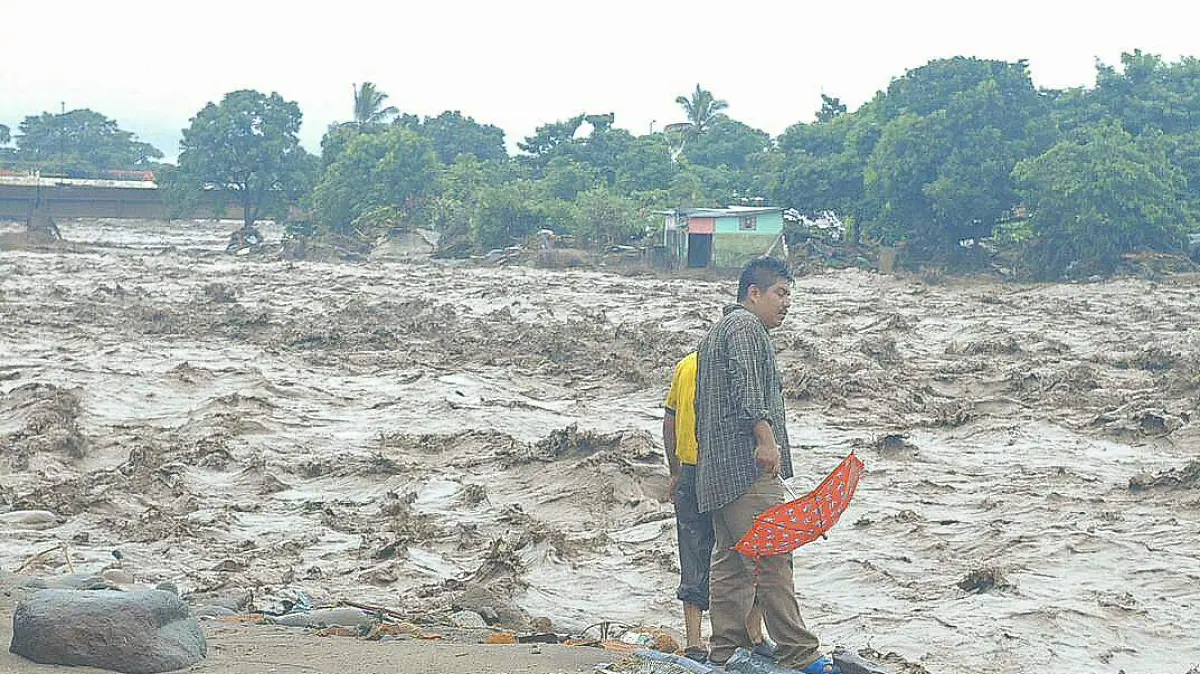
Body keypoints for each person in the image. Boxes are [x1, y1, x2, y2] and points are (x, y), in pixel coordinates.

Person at [694, 256, 837, 673]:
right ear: (753, 294)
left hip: (718, 472)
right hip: (746, 469)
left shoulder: (718, 331)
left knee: (731, 562)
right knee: (774, 556)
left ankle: (725, 650)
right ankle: (800, 651)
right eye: (781, 293)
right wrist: (766, 439)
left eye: (790, 294)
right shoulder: (744, 328)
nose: (787, 303)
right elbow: (747, 386)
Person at [663, 351, 772, 663]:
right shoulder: (737, 366)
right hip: (726, 472)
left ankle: (694, 641)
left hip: (689, 469)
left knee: (693, 550)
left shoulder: (685, 365)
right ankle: (753, 634)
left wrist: (674, 470)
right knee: (748, 549)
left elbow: (670, 420)